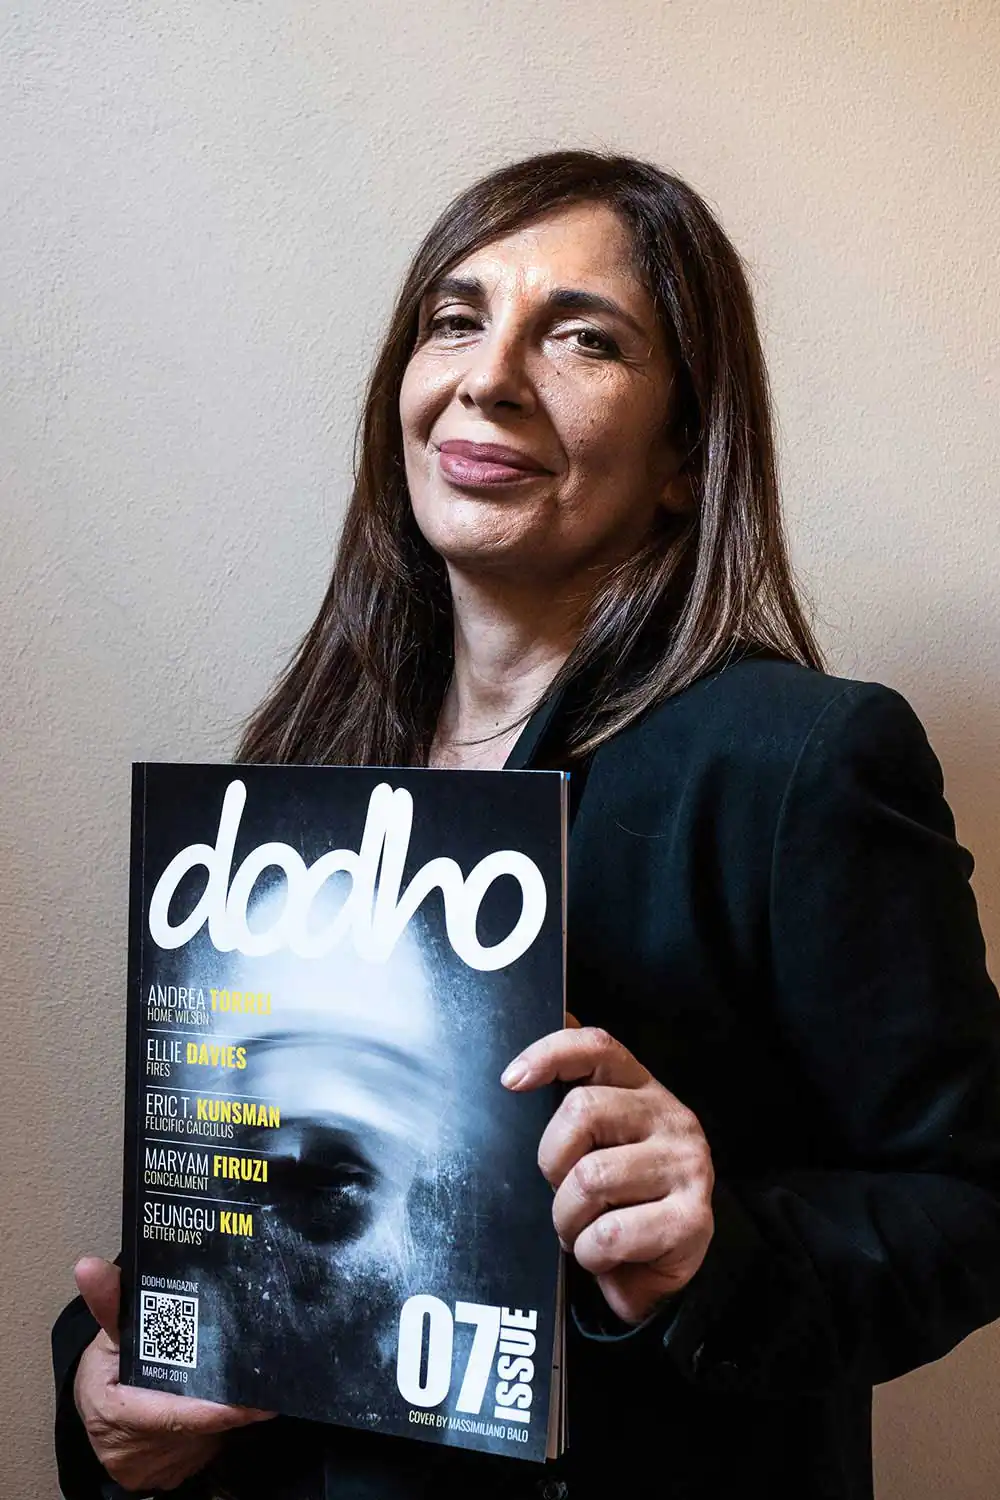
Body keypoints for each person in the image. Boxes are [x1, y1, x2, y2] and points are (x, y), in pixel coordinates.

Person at [53, 149, 1000, 1500]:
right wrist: (114, 1403)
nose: (488, 377)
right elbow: (227, 1200)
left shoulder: (801, 760)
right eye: (454, 319)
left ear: (686, 457)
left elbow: (972, 1205)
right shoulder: (297, 773)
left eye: (583, 338)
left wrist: (715, 1248)